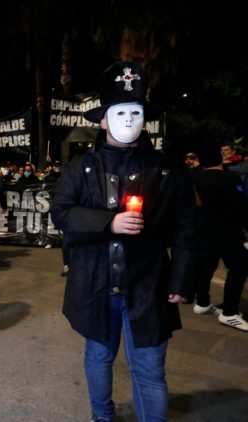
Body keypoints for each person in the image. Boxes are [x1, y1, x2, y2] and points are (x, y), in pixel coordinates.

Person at [51, 62, 197, 422]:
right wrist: (108, 222)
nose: (129, 119)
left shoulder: (168, 169)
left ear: (145, 118)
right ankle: (103, 417)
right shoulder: (80, 168)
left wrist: (181, 279)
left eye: (136, 112)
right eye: (120, 112)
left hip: (148, 284)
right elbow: (61, 213)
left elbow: (187, 228)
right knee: (98, 358)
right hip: (95, 282)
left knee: (149, 369)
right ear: (103, 120)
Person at [191, 143, 248, 331]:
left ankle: (203, 303)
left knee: (206, 265)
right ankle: (230, 312)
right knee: (239, 266)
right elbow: (240, 206)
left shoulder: (198, 178)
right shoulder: (228, 178)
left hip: (205, 228)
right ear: (218, 158)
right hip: (228, 230)